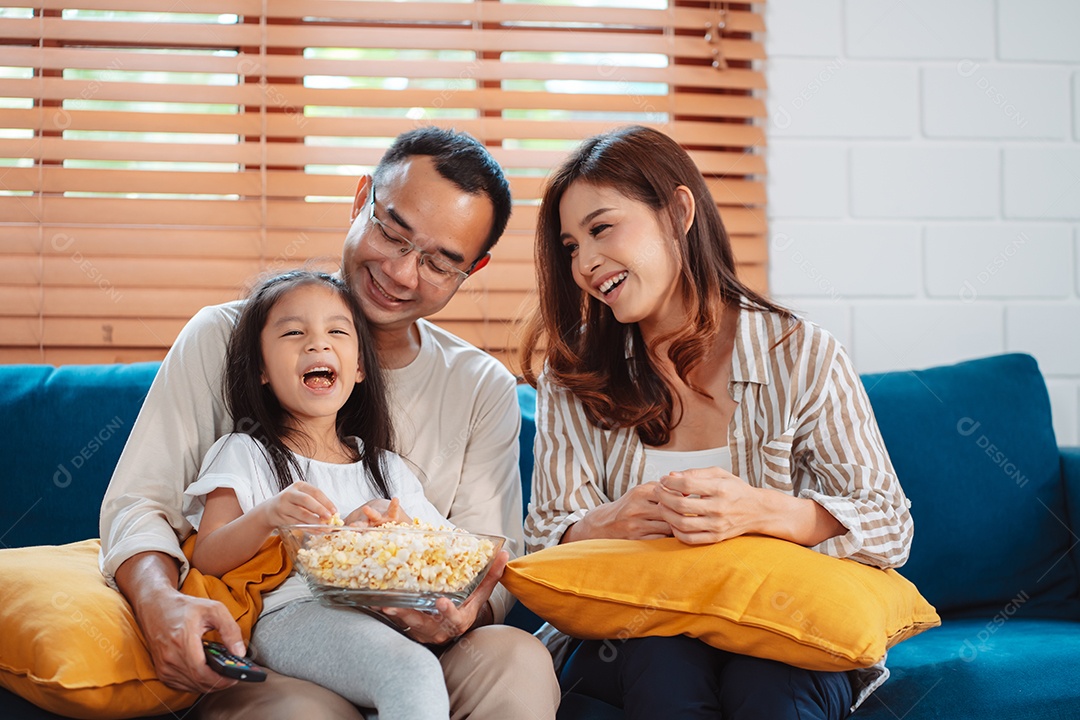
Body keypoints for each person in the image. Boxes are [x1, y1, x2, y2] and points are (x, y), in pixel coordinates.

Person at [100, 127, 560, 720]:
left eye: (440, 263)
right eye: (393, 233)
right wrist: (159, 602)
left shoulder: (480, 387)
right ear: (360, 198)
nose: (401, 273)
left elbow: (485, 558)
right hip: (282, 635)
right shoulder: (226, 337)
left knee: (518, 660)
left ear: (474, 268)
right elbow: (140, 504)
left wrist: (460, 613)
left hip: (423, 643)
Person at [521, 125, 914, 720]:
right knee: (662, 667)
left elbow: (889, 525)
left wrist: (760, 511)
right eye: (571, 246)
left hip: (777, 623)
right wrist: (606, 523)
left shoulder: (802, 354)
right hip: (632, 633)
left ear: (678, 212)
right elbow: (543, 541)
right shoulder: (575, 379)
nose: (586, 263)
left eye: (601, 228)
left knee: (770, 686)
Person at [185, 270, 455, 719]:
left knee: (411, 667)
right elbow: (207, 556)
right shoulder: (245, 452)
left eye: (336, 331)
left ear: (361, 366)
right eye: (294, 332)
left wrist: (401, 532)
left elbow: (443, 547)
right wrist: (269, 514)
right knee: (411, 671)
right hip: (293, 614)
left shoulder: (387, 468)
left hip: (383, 617)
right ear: (261, 370)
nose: (317, 344)